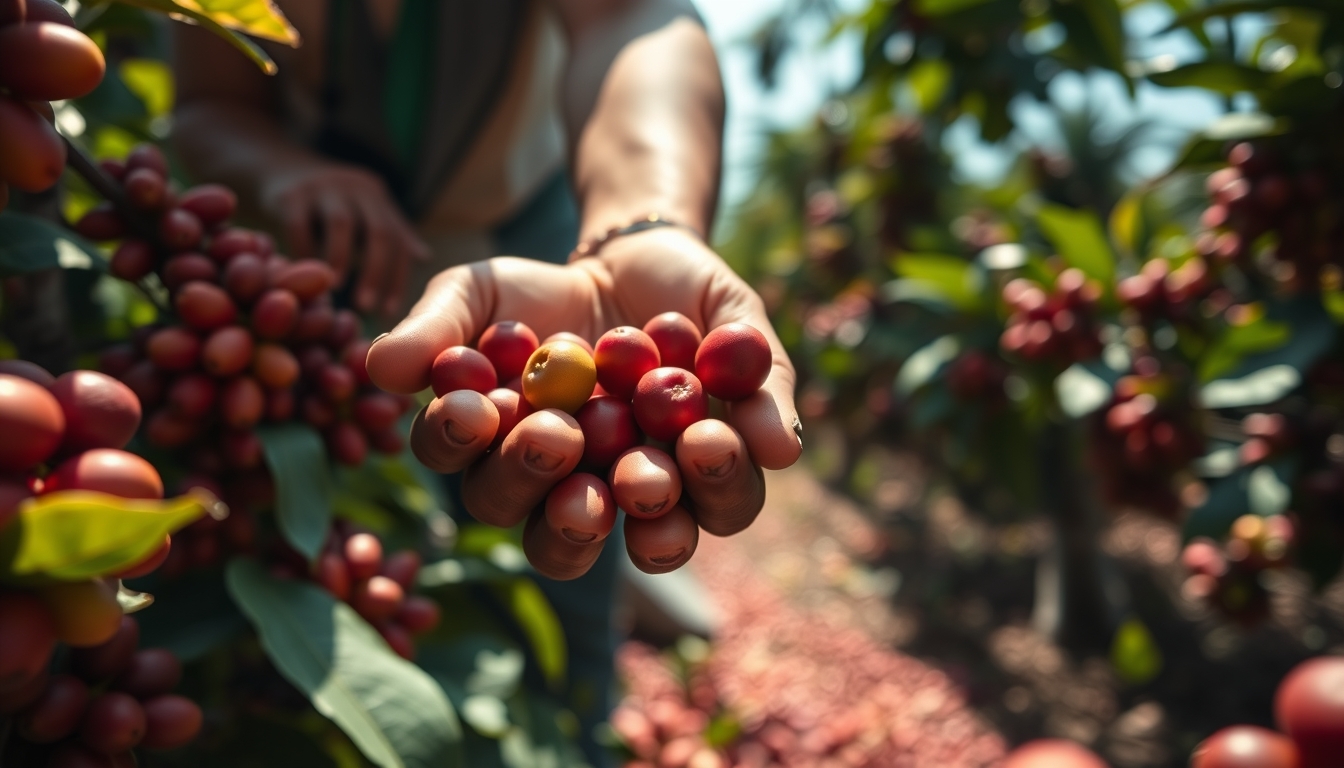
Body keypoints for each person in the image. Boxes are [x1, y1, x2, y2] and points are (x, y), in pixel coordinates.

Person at [171, 0, 801, 762]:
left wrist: (647, 221)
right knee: (325, 469)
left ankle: (576, 723)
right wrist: (285, 170)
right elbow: (207, 102)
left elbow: (632, 20)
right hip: (321, 239)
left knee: (579, 528)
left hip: (526, 219)